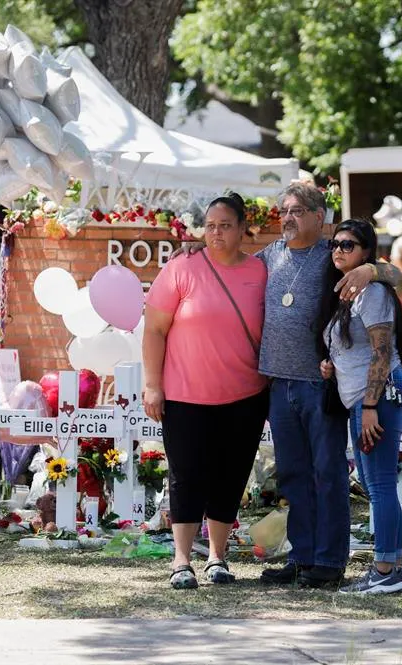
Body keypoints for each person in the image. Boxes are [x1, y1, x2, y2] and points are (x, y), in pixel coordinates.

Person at [255, 182, 402, 588]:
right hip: (279, 384)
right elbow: (230, 266)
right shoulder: (270, 255)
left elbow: (398, 275)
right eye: (284, 210)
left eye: (298, 211)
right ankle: (301, 557)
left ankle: (329, 560)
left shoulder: (334, 253)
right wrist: (194, 250)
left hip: (320, 387)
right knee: (293, 476)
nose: (288, 217)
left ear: (319, 218)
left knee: (328, 473)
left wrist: (372, 268)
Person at [143, 192, 270, 590]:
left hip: (246, 395)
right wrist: (152, 386)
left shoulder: (261, 271)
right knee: (186, 476)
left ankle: (217, 557)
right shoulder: (183, 266)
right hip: (185, 397)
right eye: (210, 225)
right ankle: (182, 560)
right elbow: (154, 329)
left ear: (242, 229)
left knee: (231, 476)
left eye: (225, 225)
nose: (215, 233)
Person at [319, 219, 402, 594]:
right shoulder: (347, 293)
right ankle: (393, 567)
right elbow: (355, 348)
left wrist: (371, 406)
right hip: (364, 397)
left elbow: (381, 350)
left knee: (378, 487)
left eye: (348, 245)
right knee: (378, 485)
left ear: (365, 253)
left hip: (377, 398)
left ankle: (386, 570)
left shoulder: (372, 290)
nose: (338, 250)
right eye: (335, 245)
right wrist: (331, 364)